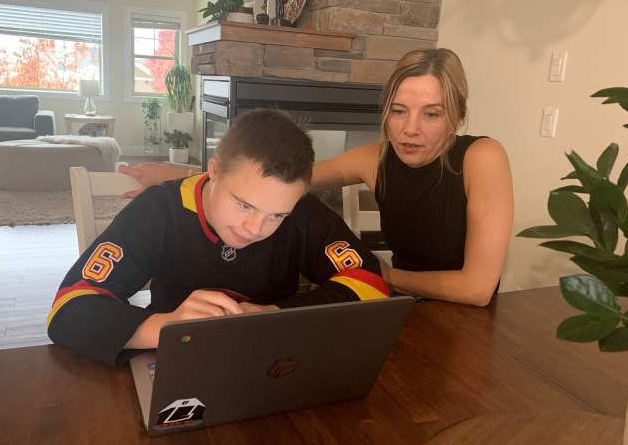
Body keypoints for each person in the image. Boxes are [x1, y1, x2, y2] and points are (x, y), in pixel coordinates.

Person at [119, 48, 513, 307]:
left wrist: (387, 276)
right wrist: (185, 178)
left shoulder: (483, 157)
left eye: (431, 113)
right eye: (398, 111)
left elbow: (477, 290)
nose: (411, 129)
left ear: (456, 116)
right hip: (398, 304)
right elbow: (277, 179)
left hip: (462, 315)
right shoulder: (375, 158)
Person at [47, 109, 390, 366]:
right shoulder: (158, 211)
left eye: (276, 216)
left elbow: (370, 283)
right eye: (243, 204)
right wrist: (166, 326)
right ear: (213, 170)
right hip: (172, 360)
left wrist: (275, 313)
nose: (255, 227)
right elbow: (69, 309)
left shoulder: (302, 211)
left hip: (274, 361)